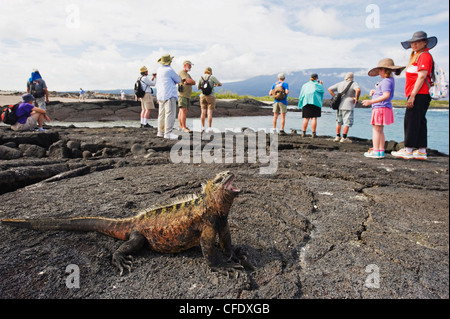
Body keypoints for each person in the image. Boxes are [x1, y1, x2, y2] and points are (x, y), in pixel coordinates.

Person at [391, 31, 438, 161]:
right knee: (420, 121)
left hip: (419, 93)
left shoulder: (424, 56)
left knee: (411, 120)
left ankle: (409, 149)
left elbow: (422, 76)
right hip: (421, 93)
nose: (414, 44)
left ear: (425, 42)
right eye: (413, 42)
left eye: (418, 41)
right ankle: (422, 151)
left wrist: (412, 95)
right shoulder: (417, 56)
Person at [362, 58, 405, 159]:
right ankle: (380, 151)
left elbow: (386, 95)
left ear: (384, 70)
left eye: (380, 70)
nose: (378, 72)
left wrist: (371, 101)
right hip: (384, 107)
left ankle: (376, 151)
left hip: (380, 108)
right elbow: (384, 93)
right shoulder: (389, 80)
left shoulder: (386, 81)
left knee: (376, 130)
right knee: (380, 130)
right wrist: (375, 91)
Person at [328, 72, 361, 143]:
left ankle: (337, 136)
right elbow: (358, 90)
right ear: (352, 77)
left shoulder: (340, 83)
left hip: (339, 105)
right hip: (348, 105)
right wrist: (356, 98)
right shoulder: (353, 83)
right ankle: (344, 138)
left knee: (338, 121)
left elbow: (329, 89)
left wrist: (335, 96)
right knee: (347, 121)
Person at [155, 54, 181, 140]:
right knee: (170, 113)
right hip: (169, 94)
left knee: (161, 114)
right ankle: (168, 132)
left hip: (161, 94)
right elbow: (178, 80)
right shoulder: (169, 70)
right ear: (169, 62)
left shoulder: (159, 70)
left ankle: (160, 132)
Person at [198, 67, 222, 133]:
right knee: (209, 113)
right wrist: (214, 85)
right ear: (210, 71)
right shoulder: (212, 77)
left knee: (203, 112)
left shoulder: (201, 77)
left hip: (202, 96)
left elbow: (198, 88)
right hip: (211, 96)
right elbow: (220, 84)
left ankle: (203, 127)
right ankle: (209, 128)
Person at [178, 61, 196, 133]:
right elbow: (188, 81)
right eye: (189, 65)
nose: (190, 67)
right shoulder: (182, 72)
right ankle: (183, 127)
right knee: (183, 110)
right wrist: (189, 81)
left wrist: (190, 81)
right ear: (185, 65)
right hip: (183, 95)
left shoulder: (187, 74)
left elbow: (194, 82)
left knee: (182, 111)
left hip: (186, 95)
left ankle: (181, 126)